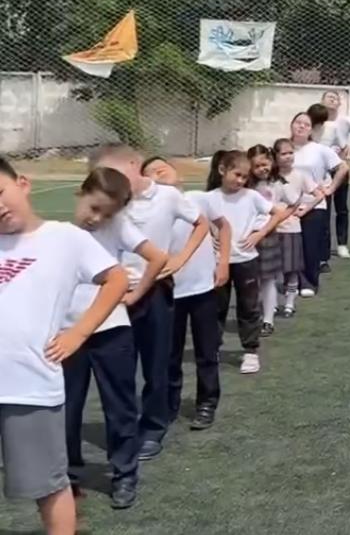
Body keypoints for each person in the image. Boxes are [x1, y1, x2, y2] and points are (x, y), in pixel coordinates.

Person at [0, 156, 129, 535]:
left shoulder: (65, 238)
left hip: (30, 387)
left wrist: (79, 333)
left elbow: (117, 280)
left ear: (22, 184)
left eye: (0, 192)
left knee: (49, 486)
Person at [91, 144, 207, 462]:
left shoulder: (167, 196)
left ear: (134, 164)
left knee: (157, 362)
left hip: (154, 289)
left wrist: (180, 258)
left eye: (114, 173)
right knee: (120, 366)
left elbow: (201, 223)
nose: (110, 182)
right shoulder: (112, 200)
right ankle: (125, 429)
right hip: (115, 293)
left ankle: (154, 427)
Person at [63, 168, 168, 510]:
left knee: (119, 407)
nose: (97, 218)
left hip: (112, 329)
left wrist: (135, 295)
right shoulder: (57, 234)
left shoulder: (118, 226)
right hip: (67, 334)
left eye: (106, 214)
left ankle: (124, 474)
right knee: (66, 408)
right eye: (94, 208)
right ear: (81, 193)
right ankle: (69, 476)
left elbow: (158, 257)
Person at [141, 157, 230, 433]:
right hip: (169, 291)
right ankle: (170, 403)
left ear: (177, 173)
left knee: (206, 350)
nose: (158, 172)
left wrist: (223, 262)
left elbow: (223, 227)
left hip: (203, 288)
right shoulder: (149, 210)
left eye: (162, 167)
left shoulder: (199, 199)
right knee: (170, 353)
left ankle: (207, 402)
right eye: (151, 173)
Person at [206, 150, 287, 375]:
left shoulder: (251, 196)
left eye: (244, 176)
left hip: (246, 260)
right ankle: (212, 348)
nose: (241, 180)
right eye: (237, 175)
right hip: (218, 262)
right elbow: (199, 222)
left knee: (248, 307)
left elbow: (278, 213)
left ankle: (250, 352)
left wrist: (259, 233)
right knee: (216, 307)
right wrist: (209, 236)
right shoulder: (210, 198)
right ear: (222, 170)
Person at [289, 111, 349, 296]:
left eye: (306, 124)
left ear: (311, 130)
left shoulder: (319, 150)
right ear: (291, 125)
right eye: (298, 122)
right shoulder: (283, 148)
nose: (301, 126)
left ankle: (309, 283)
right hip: (288, 206)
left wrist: (330, 188)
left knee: (310, 245)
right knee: (290, 246)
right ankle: (291, 282)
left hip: (314, 204)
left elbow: (343, 167)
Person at [314, 91, 350, 261]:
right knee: (323, 209)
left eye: (336, 99)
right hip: (320, 170)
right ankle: (322, 248)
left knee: (341, 208)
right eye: (330, 98)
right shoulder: (316, 121)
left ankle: (342, 245)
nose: (333, 101)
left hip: (338, 168)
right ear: (322, 101)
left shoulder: (345, 121)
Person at [267, 139, 323, 320]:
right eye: (283, 153)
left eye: (291, 153)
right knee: (271, 271)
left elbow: (319, 194)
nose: (288, 157)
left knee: (291, 269)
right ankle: (271, 303)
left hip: (291, 229)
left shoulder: (300, 176)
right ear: (275, 156)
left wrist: (304, 210)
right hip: (271, 229)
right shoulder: (269, 177)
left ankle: (289, 304)